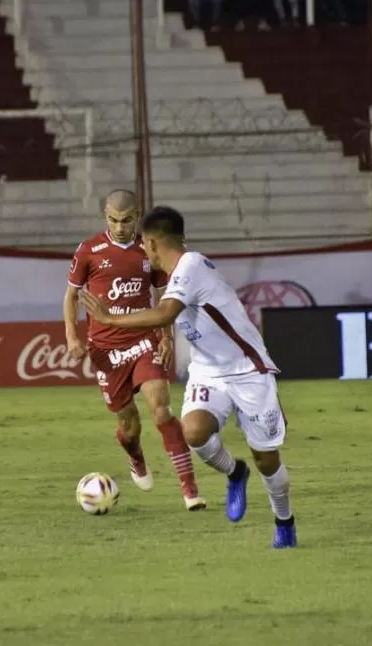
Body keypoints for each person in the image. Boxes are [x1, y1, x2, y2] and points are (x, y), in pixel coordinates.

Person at [79, 206, 297, 549]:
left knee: (267, 460)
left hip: (248, 370)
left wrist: (109, 319)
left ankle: (284, 522)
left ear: (151, 244)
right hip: (209, 370)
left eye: (144, 245)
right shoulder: (181, 273)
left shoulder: (190, 266)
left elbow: (164, 313)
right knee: (194, 432)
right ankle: (234, 473)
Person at [64, 190, 206, 512]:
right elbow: (70, 296)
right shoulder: (89, 251)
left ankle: (189, 489)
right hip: (106, 352)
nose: (120, 227)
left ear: (137, 216)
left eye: (126, 220)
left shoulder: (148, 249)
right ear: (105, 217)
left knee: (161, 408)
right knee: (130, 426)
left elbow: (162, 296)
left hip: (143, 341)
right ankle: (135, 456)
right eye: (113, 220)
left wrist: (166, 337)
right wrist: (73, 337)